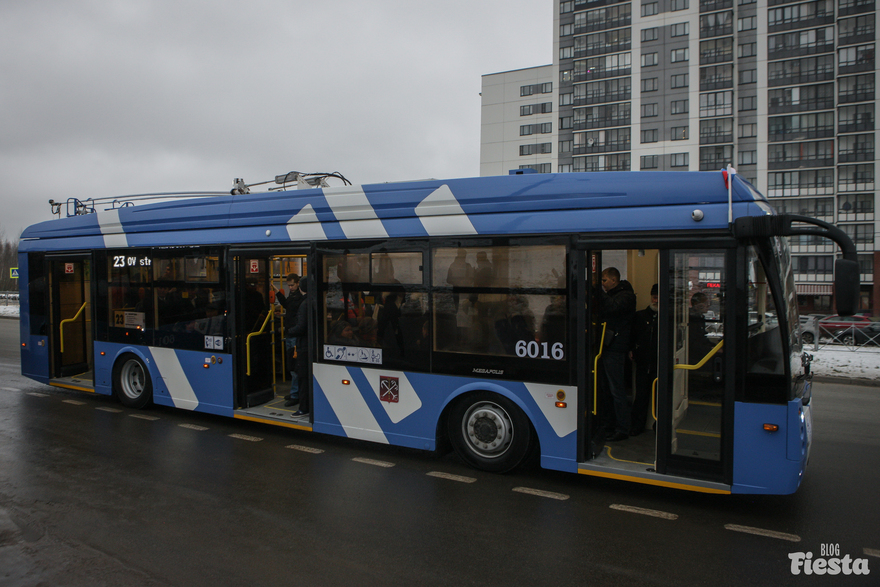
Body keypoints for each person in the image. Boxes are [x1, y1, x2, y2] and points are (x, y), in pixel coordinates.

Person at [597, 266, 636, 442]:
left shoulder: (626, 296)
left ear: (614, 280)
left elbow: (611, 308)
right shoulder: (615, 295)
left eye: (604, 280)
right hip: (606, 346)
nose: (603, 284)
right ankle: (609, 424)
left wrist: (597, 290)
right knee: (606, 389)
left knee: (616, 390)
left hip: (615, 348)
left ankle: (622, 427)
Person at [630, 284, 658, 436]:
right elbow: (632, 336)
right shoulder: (640, 316)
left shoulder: (666, 318)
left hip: (658, 364)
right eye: (654, 296)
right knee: (640, 397)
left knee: (659, 398)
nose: (656, 300)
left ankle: (658, 426)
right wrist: (632, 350)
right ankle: (637, 426)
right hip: (643, 363)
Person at [273, 274, 304, 403]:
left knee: (294, 367)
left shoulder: (299, 298)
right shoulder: (294, 296)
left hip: (293, 334)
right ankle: (294, 392)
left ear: (298, 283)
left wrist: (291, 330)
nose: (290, 288)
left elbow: (289, 307)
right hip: (291, 333)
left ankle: (295, 395)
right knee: (292, 366)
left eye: (292, 285)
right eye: (289, 285)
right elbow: (287, 306)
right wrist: (278, 293)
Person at [284, 284, 310, 415]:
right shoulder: (313, 300)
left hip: (303, 345)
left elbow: (301, 326)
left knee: (302, 377)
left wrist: (288, 331)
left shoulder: (304, 304)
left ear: (301, 288)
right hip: (308, 344)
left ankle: (303, 408)